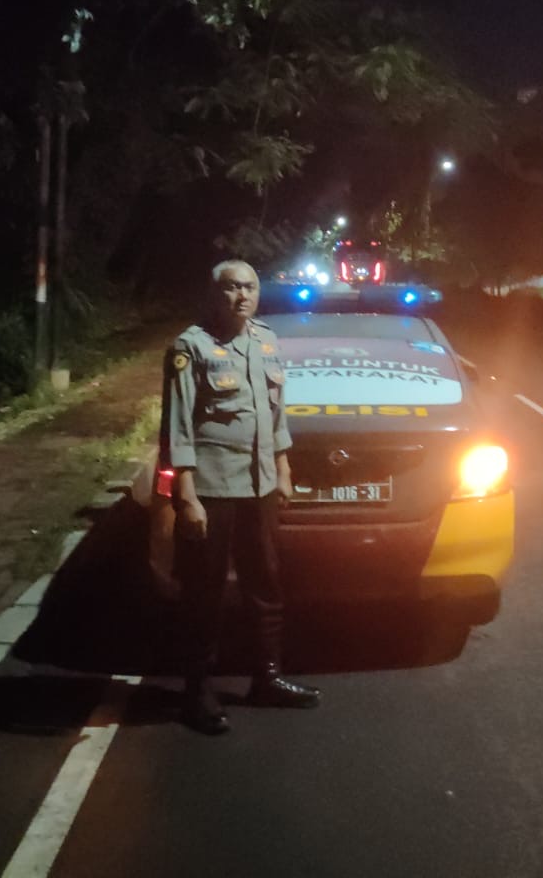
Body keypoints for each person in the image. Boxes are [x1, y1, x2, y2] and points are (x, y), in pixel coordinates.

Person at [159, 259, 321, 734]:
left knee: (265, 584)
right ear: (215, 294)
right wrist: (186, 496)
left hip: (259, 486)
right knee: (204, 592)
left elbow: (276, 415)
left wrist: (283, 469)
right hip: (212, 489)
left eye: (249, 287)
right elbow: (177, 429)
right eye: (232, 288)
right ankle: (197, 693)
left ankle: (266, 678)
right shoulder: (190, 347)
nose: (242, 296)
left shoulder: (265, 341)